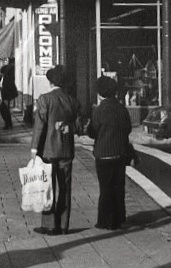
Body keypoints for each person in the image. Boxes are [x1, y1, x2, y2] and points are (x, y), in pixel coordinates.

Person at [29, 65, 81, 236]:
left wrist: (34, 149)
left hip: (48, 150)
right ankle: (64, 225)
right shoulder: (72, 100)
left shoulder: (45, 99)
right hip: (66, 149)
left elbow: (39, 126)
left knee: (48, 186)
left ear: (51, 82)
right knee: (65, 187)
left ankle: (50, 224)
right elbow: (78, 125)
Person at [87, 75, 133, 231]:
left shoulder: (99, 110)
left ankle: (105, 220)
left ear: (100, 92)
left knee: (105, 188)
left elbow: (93, 132)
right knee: (118, 187)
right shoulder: (122, 109)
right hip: (119, 153)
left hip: (103, 153)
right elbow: (128, 129)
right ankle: (119, 218)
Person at [0, 61, 17, 129]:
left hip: (7, 95)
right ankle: (8, 124)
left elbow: (7, 87)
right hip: (6, 95)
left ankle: (8, 124)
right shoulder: (7, 78)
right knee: (5, 109)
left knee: (4, 109)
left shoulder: (7, 78)